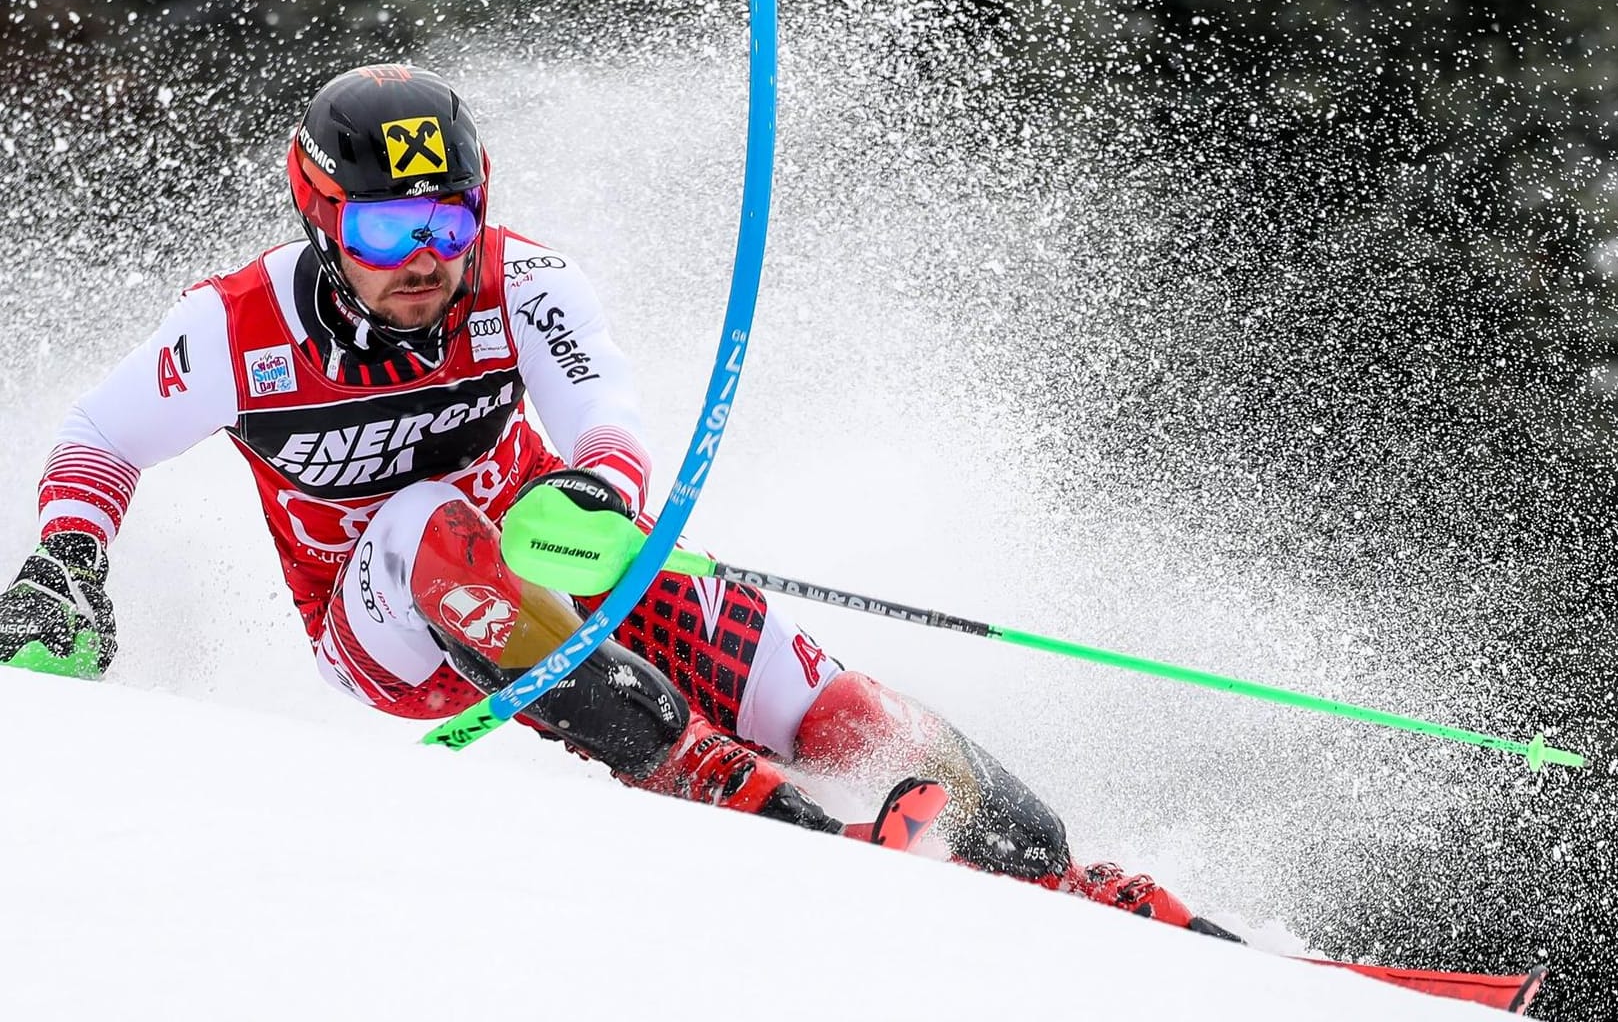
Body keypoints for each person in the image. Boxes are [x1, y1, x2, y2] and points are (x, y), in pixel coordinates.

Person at [0, 63, 1231, 936]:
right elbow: (102, 437)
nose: (425, 256)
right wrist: (68, 558)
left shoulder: (520, 279)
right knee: (429, 522)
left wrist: (601, 490)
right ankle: (718, 787)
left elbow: (606, 416)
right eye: (385, 225)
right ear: (320, 216)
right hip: (381, 627)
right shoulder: (234, 330)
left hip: (554, 546)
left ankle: (1068, 876)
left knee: (830, 698)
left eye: (449, 216)